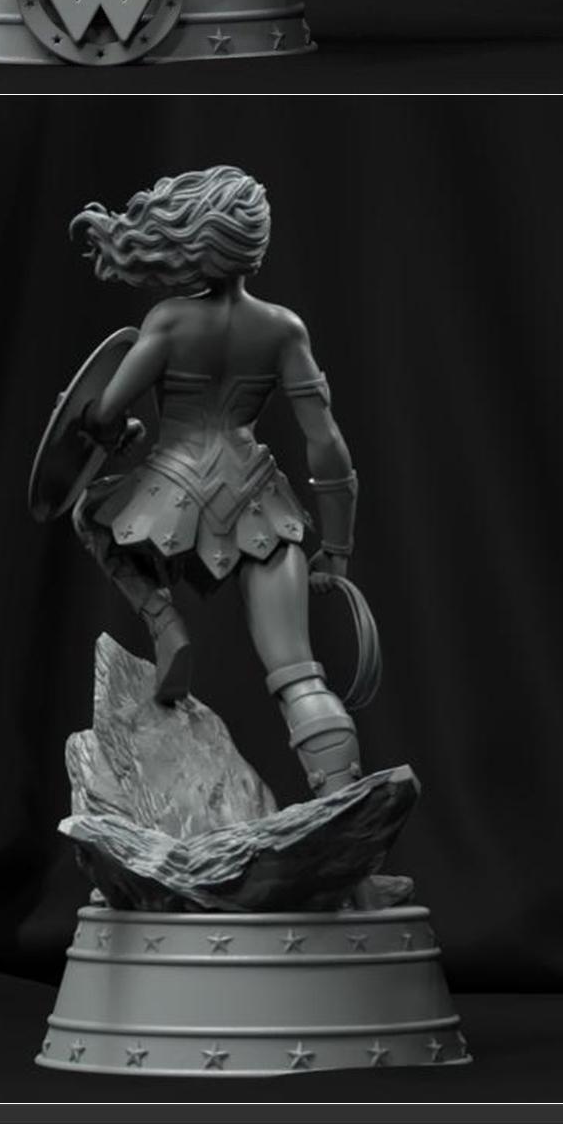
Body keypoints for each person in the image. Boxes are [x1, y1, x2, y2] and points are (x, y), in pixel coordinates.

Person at [71, 164, 362, 797]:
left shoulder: (170, 321)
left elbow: (106, 409)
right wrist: (337, 548)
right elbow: (326, 443)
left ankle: (164, 622)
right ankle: (347, 815)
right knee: (297, 673)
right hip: (260, 505)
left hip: (168, 496)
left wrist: (111, 431)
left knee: (89, 513)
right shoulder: (283, 328)